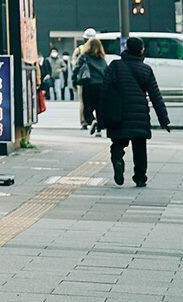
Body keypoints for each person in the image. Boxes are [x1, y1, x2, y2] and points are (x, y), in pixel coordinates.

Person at [98, 35, 171, 187]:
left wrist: (101, 117)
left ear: (127, 49)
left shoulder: (115, 66)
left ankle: (118, 160)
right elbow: (155, 96)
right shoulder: (146, 70)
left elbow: (104, 92)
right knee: (140, 148)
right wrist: (164, 119)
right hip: (139, 115)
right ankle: (140, 177)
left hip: (118, 114)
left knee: (118, 143)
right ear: (141, 50)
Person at [72, 33, 109, 133]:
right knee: (99, 108)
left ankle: (92, 121)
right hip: (101, 86)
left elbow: (76, 69)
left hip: (88, 85)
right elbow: (107, 72)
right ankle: (99, 131)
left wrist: (74, 82)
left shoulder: (84, 56)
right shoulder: (102, 59)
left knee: (87, 108)